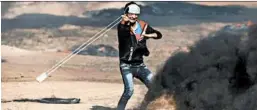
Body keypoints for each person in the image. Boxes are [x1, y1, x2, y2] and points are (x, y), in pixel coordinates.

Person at [116, 2, 162, 110]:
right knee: (129, 91)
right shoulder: (123, 27)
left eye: (136, 14)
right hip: (126, 66)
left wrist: (148, 35)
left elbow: (158, 35)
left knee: (155, 87)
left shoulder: (143, 26)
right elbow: (123, 32)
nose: (133, 16)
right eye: (131, 14)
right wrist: (124, 22)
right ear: (126, 14)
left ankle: (145, 107)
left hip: (140, 65)